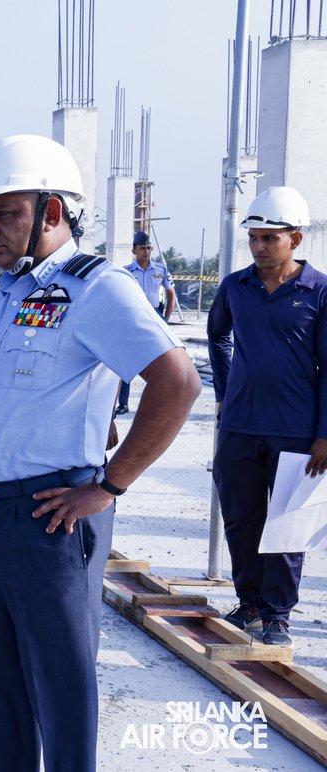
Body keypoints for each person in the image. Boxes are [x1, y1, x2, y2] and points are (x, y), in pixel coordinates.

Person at [0, 134, 201, 771]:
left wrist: (108, 486)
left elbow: (178, 382)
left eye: (7, 215)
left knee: (60, 687)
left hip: (53, 517)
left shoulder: (95, 289)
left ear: (52, 212)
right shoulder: (3, 294)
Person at [208, 185, 325, 648]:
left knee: (287, 524)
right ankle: (250, 603)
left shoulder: (318, 291)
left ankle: (277, 614)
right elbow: (218, 336)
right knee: (242, 518)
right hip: (239, 425)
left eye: (269, 238)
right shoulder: (236, 286)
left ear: (295, 240)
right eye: (254, 237)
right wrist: (224, 392)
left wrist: (324, 434)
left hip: (297, 429)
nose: (258, 246)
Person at [117, 230, 176, 414]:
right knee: (126, 362)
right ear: (134, 251)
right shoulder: (125, 272)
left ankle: (157, 402)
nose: (147, 251)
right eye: (142, 248)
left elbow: (171, 294)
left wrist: (165, 319)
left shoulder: (161, 270)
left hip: (154, 316)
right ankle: (123, 403)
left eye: (149, 248)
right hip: (133, 319)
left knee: (160, 361)